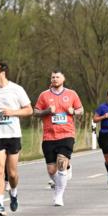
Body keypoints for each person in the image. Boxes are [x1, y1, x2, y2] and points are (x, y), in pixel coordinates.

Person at [0, 61, 32, 216]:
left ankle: (14, 192)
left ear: (2, 72)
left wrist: (13, 112)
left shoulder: (17, 89)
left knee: (12, 174)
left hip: (13, 135)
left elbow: (29, 110)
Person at [34, 70, 84, 207]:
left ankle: (59, 196)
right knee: (51, 170)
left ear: (63, 79)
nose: (55, 79)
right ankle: (66, 170)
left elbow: (81, 110)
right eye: (53, 77)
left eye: (57, 77)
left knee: (61, 163)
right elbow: (35, 112)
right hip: (49, 136)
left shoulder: (71, 94)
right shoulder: (44, 95)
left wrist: (74, 112)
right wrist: (47, 111)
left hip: (66, 134)